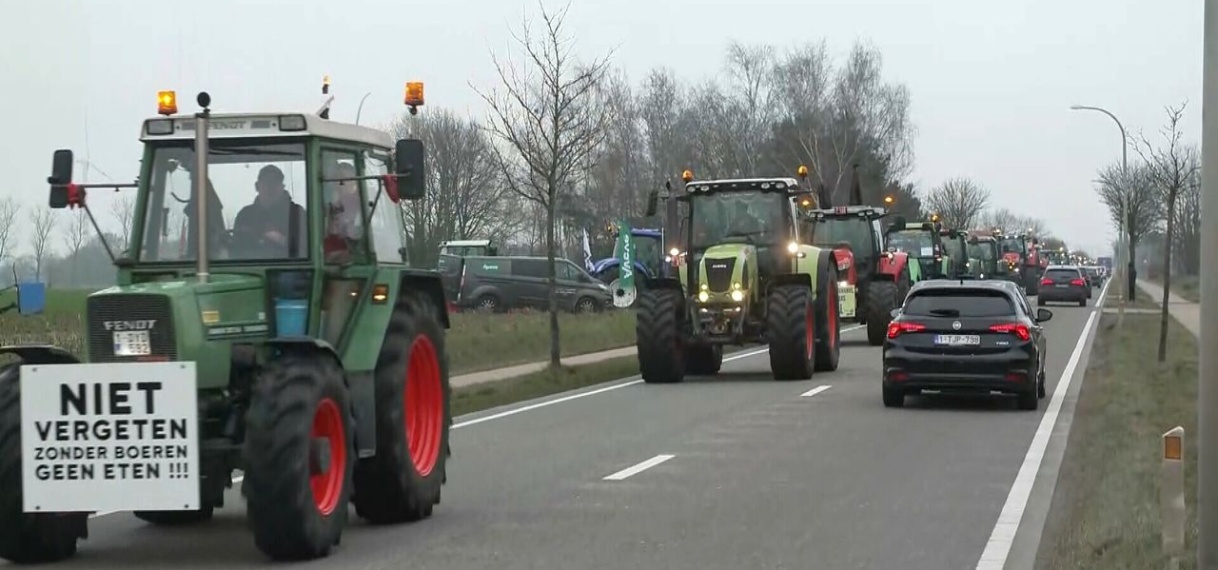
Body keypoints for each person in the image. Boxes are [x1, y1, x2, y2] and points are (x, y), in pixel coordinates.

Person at [232, 165, 307, 259]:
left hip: (289, 267)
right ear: (257, 186)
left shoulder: (296, 214)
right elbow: (235, 251)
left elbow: (307, 248)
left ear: (282, 187)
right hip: (252, 267)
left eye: (275, 183)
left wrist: (283, 241)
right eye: (266, 183)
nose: (270, 188)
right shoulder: (245, 216)